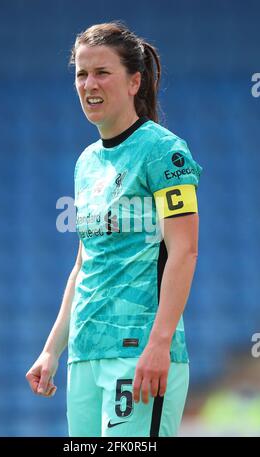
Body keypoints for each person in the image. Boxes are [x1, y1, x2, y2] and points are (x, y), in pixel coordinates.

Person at [26, 21, 202, 437]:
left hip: (140, 353)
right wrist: (52, 350)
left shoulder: (165, 152)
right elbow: (84, 263)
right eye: (81, 74)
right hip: (85, 356)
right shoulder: (86, 162)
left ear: (133, 81)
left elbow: (185, 251)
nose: (90, 84)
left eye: (102, 72)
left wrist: (159, 343)